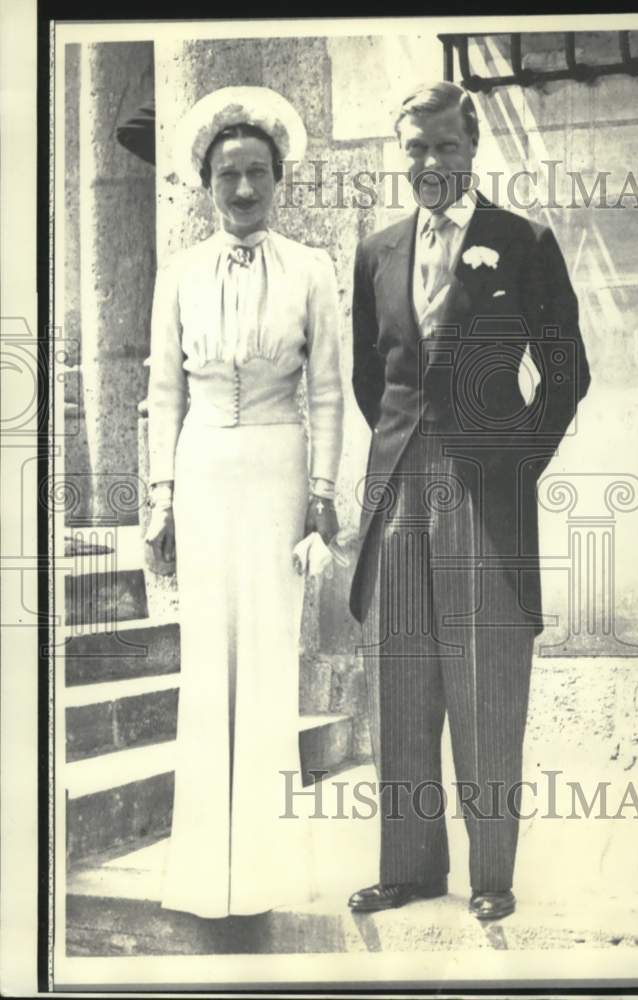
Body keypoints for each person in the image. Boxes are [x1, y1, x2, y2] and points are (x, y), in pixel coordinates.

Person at [347, 81, 591, 920]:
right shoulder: (376, 251)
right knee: (402, 682)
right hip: (397, 488)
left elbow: (565, 375)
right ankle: (409, 868)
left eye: (444, 147)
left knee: (486, 683)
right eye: (414, 148)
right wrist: (401, 455)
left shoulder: (521, 242)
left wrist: (512, 462)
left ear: (472, 148)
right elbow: (368, 377)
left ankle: (492, 878)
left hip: (484, 493)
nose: (428, 164)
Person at [144, 86, 343, 918]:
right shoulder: (179, 273)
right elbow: (163, 389)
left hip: (276, 470)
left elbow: (328, 393)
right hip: (201, 474)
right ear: (205, 183)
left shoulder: (311, 269)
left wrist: (323, 495)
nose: (244, 192)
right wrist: (158, 498)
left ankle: (261, 875)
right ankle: (201, 877)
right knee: (207, 666)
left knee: (266, 666)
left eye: (258, 173)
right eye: (228, 176)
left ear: (278, 178)